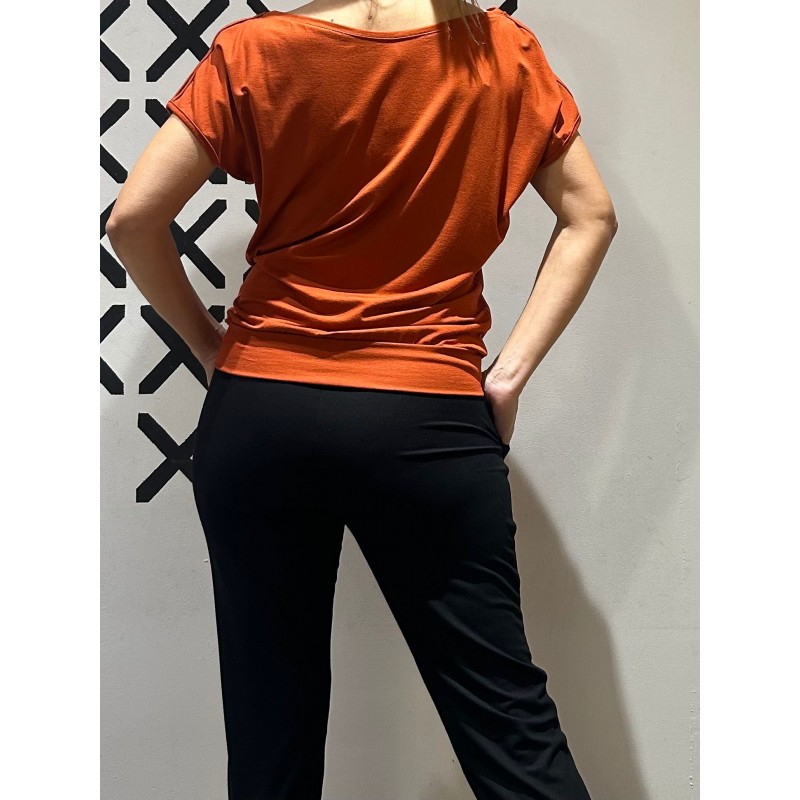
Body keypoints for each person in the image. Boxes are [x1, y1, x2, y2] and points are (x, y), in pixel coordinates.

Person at [107, 1, 617, 797]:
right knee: (506, 722)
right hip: (424, 410)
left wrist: (212, 349)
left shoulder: (255, 50)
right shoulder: (501, 51)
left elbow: (134, 219)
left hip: (261, 408)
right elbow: (592, 216)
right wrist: (508, 375)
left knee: (269, 730)